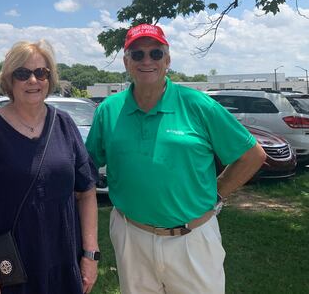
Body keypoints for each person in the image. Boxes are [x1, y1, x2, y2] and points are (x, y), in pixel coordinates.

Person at [86, 23, 267, 294]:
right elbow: (86, 166)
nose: (147, 61)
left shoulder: (198, 104)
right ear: (126, 62)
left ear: (167, 60)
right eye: (137, 55)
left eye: (155, 54)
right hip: (130, 235)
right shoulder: (108, 110)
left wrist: (217, 194)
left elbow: (252, 155)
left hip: (192, 238)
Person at [0, 40, 99, 294]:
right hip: (9, 264)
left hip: (61, 258)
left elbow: (86, 192)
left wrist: (90, 254)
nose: (33, 80)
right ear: (9, 80)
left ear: (49, 77)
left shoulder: (64, 124)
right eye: (22, 74)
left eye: (40, 73)